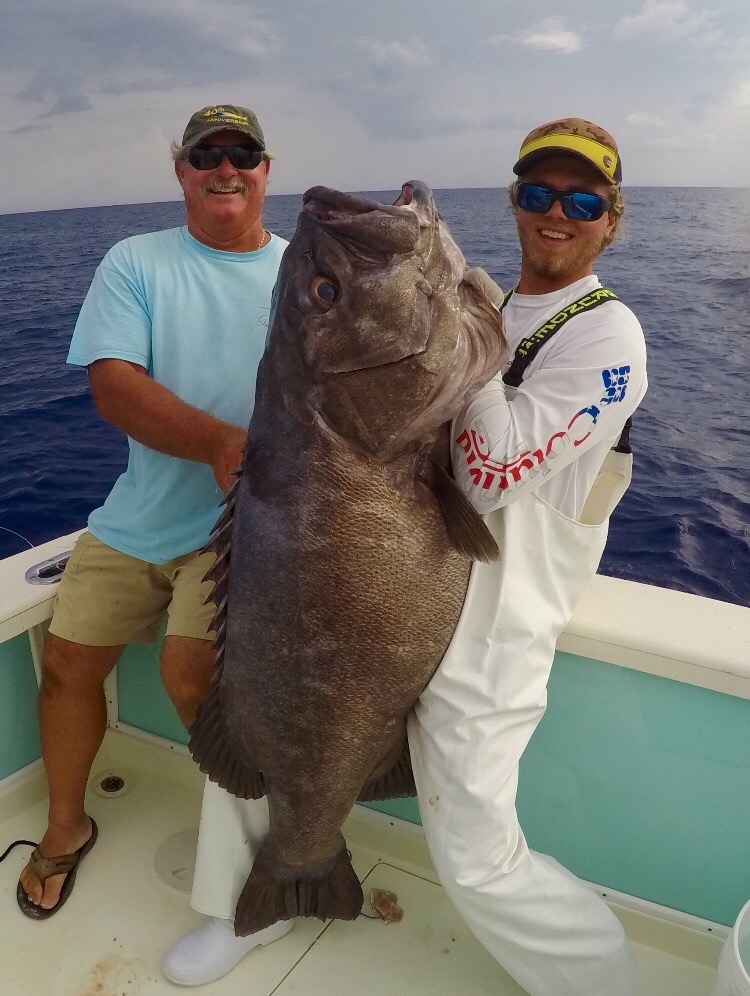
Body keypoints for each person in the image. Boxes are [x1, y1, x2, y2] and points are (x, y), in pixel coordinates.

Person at [161, 117, 647, 996]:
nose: (557, 214)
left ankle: (606, 981)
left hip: (492, 633)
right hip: (401, 594)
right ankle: (247, 905)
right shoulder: (497, 307)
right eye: (539, 193)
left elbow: (488, 473)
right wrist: (463, 323)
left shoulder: (607, 337)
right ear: (514, 202)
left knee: (474, 855)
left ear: (611, 221)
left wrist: (462, 342)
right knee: (257, 704)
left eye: (582, 202)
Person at [16, 104, 288, 921]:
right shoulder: (134, 260)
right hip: (138, 515)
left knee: (189, 673)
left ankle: (270, 849)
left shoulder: (304, 272)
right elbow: (112, 386)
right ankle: (65, 827)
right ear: (181, 171)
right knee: (67, 663)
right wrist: (216, 441)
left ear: (266, 170)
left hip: (249, 528)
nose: (225, 168)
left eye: (243, 153)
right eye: (206, 155)